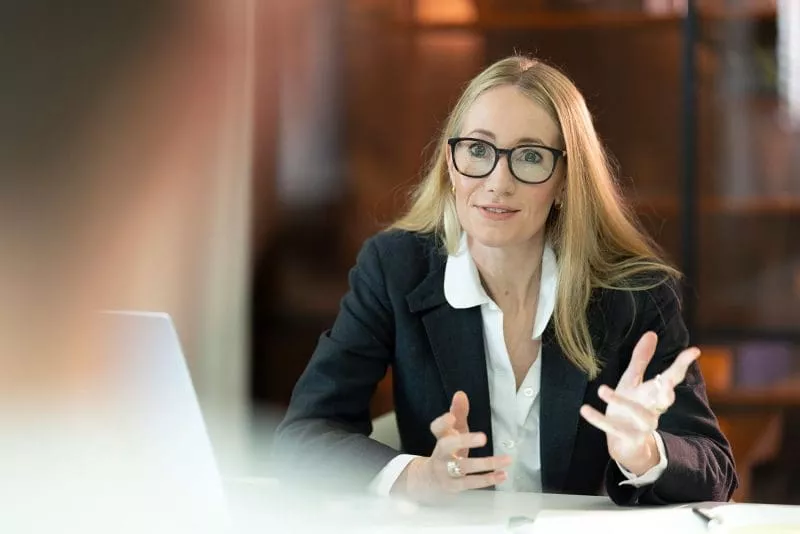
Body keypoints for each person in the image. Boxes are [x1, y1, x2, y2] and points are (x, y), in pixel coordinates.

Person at [273, 55, 738, 505]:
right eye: (478, 150)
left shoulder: (633, 294)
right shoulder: (394, 268)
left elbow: (716, 469)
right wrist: (417, 477)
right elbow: (305, 436)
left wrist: (644, 452)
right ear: (451, 165)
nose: (498, 182)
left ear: (565, 181)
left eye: (530, 157)